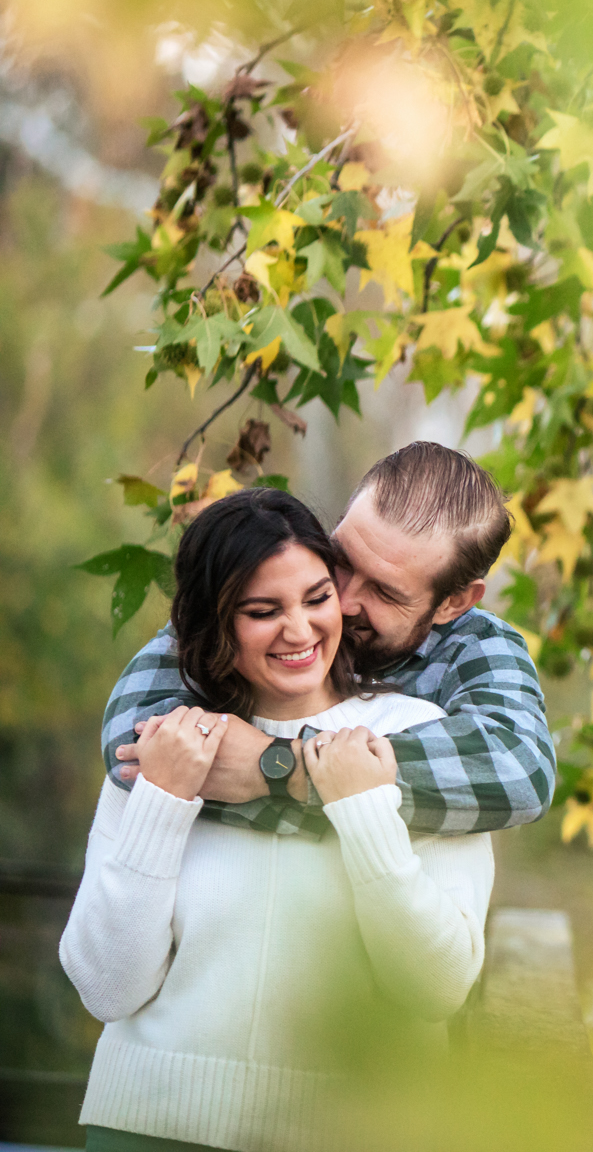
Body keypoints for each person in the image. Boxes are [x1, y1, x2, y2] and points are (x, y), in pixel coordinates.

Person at [61, 488, 494, 1152]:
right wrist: (163, 797)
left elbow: (436, 986)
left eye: (318, 598)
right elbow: (105, 986)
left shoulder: (415, 739)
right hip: (147, 1125)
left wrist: (362, 805)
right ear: (213, 622)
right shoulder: (168, 743)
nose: (300, 630)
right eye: (264, 611)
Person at [100, 441, 553, 838]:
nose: (344, 600)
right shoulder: (267, 585)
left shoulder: (475, 646)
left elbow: (519, 771)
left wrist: (279, 768)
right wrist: (369, 809)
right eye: (343, 560)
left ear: (454, 602)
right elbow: (134, 743)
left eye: (384, 592)